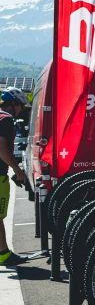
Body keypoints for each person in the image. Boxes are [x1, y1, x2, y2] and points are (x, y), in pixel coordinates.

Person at [0, 87, 28, 265]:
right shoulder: (6, 119)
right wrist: (17, 170)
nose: (21, 110)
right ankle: (3, 254)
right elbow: (1, 147)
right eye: (21, 106)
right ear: (15, 104)